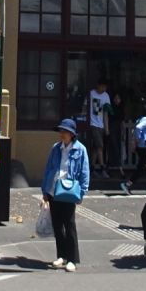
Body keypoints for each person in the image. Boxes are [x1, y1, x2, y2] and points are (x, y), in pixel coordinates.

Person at [41, 117, 90, 271]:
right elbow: (49, 169)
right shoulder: (55, 148)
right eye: (61, 131)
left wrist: (82, 192)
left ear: (72, 134)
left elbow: (84, 172)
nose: (62, 134)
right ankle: (61, 255)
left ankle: (72, 259)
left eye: (65, 131)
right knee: (57, 224)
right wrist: (45, 191)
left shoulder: (80, 149)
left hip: (69, 191)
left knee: (69, 224)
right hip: (55, 189)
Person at [86, 78, 113, 178]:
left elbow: (106, 113)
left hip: (101, 124)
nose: (104, 88)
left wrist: (106, 128)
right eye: (102, 86)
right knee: (100, 146)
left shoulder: (106, 96)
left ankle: (92, 168)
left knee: (96, 148)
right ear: (98, 85)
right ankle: (102, 168)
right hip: (92, 123)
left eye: (105, 87)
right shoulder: (91, 94)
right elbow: (85, 107)